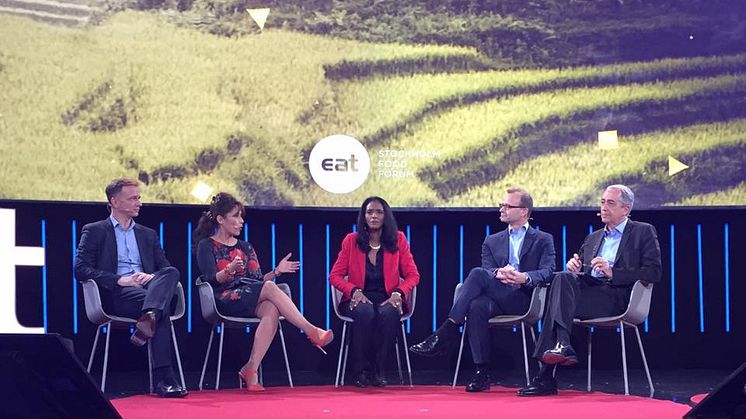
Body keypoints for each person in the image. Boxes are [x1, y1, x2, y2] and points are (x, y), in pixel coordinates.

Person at [517, 184, 662, 397]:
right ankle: (562, 346)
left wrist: (613, 272)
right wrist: (574, 268)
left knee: (558, 301)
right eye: (602, 202)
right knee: (561, 277)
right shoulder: (593, 238)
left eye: (610, 203)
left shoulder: (643, 231)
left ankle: (546, 375)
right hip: (590, 296)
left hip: (619, 297)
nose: (604, 207)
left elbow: (653, 272)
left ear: (626, 209)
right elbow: (583, 271)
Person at [409, 187, 556, 392]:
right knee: (476, 305)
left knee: (477, 274)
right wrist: (499, 273)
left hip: (523, 298)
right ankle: (482, 372)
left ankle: (445, 333)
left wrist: (524, 277)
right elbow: (488, 270)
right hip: (497, 295)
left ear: (523, 211)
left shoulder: (543, 239)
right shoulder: (492, 240)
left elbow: (549, 271)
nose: (502, 209)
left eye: (507, 206)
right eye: (501, 205)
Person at [194, 192, 333, 392]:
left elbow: (257, 281)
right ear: (220, 220)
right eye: (236, 216)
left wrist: (277, 271)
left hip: (248, 295)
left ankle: (251, 368)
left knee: (271, 309)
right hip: (223, 298)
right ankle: (311, 330)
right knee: (268, 290)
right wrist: (229, 270)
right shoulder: (206, 245)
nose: (241, 221)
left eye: (242, 216)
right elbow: (209, 280)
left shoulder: (245, 247)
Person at [75, 178, 187, 398]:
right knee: (160, 310)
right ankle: (165, 379)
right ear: (114, 202)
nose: (139, 203)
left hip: (147, 289)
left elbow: (164, 268)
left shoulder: (148, 234)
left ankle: (149, 317)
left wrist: (150, 276)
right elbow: (80, 269)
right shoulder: (95, 231)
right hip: (117, 294)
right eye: (133, 198)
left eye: (139, 198)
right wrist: (119, 280)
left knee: (171, 272)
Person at [329, 196, 420, 387]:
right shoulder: (351, 241)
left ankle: (379, 370)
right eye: (369, 212)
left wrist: (398, 294)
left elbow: (413, 275)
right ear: (364, 216)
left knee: (389, 313)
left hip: (387, 297)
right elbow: (334, 276)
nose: (374, 216)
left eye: (379, 212)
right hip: (356, 297)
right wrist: (353, 291)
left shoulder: (399, 240)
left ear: (386, 216)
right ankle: (361, 371)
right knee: (364, 311)